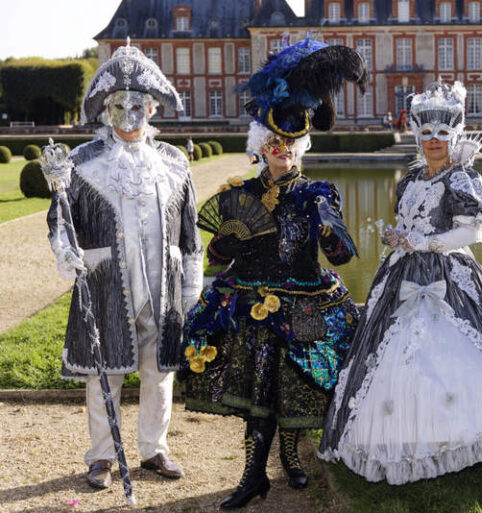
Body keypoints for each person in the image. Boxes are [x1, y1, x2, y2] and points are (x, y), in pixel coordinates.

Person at [319, 81, 482, 485]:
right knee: (389, 352)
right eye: (427, 134)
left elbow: (473, 234)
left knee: (471, 352)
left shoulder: (463, 180)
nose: (434, 141)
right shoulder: (410, 179)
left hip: (449, 274)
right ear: (418, 136)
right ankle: (402, 436)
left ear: (453, 135)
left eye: (442, 134)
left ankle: (467, 432)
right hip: (402, 271)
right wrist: (398, 237)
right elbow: (407, 221)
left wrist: (426, 242)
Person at [182, 38, 368, 509]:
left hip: (305, 299)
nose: (281, 149)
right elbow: (217, 259)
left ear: (300, 145)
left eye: (289, 143)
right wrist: (223, 244)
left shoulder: (317, 192)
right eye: (272, 142)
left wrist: (329, 230)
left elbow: (344, 255)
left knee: (298, 384)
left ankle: (291, 456)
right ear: (259, 146)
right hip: (251, 302)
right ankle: (252, 477)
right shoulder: (238, 192)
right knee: (260, 388)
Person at [46, 42, 203, 489]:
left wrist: (190, 288)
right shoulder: (79, 164)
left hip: (162, 285)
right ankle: (101, 457)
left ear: (152, 108)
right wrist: (67, 251)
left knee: (160, 374)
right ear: (106, 110)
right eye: (119, 105)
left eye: (138, 105)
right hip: (106, 285)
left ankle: (154, 450)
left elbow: (189, 230)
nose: (129, 115)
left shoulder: (174, 162)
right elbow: (60, 221)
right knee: (105, 373)